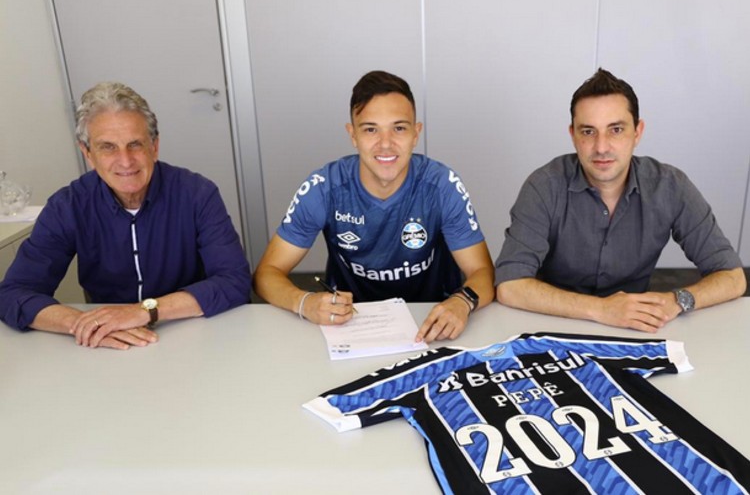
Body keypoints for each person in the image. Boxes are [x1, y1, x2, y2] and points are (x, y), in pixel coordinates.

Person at [0, 82, 252, 349]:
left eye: (135, 144)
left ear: (154, 146)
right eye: (108, 147)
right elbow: (13, 293)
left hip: (191, 332)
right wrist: (88, 324)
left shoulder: (197, 193)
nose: (125, 160)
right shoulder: (68, 205)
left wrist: (145, 311)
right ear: (88, 153)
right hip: (108, 345)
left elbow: (234, 281)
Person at [495, 68, 746, 332]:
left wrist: (676, 301)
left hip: (633, 328)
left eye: (616, 129)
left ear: (637, 132)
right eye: (588, 132)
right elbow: (510, 285)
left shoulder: (670, 186)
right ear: (573, 135)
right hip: (553, 322)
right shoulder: (544, 186)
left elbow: (733, 277)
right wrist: (601, 309)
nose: (601, 147)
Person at [253, 70, 494, 342]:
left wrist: (462, 302)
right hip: (349, 324)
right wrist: (304, 302)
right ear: (352, 135)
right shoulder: (324, 187)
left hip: (432, 322)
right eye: (370, 129)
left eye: (399, 128)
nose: (385, 144)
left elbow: (482, 273)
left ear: (416, 134)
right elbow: (266, 274)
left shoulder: (442, 185)